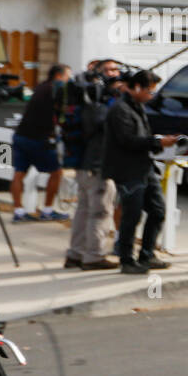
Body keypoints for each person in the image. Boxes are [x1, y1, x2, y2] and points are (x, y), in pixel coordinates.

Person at [102, 70, 177, 274]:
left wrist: (158, 142)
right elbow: (127, 140)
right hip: (128, 170)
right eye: (149, 91)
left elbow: (141, 137)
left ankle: (147, 254)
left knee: (158, 210)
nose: (151, 95)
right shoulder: (120, 110)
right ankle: (127, 259)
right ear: (136, 88)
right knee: (132, 215)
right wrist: (157, 142)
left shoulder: (137, 107)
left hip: (144, 167)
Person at [63, 68, 118, 270]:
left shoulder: (82, 108)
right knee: (100, 213)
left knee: (83, 211)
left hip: (83, 166)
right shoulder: (99, 110)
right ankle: (94, 256)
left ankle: (75, 254)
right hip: (97, 168)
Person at [9, 63, 71, 222]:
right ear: (59, 76)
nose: (68, 80)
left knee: (19, 173)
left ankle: (18, 211)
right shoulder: (55, 89)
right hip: (38, 138)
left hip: (21, 135)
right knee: (56, 172)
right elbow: (59, 113)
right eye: (67, 77)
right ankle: (48, 210)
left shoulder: (41, 87)